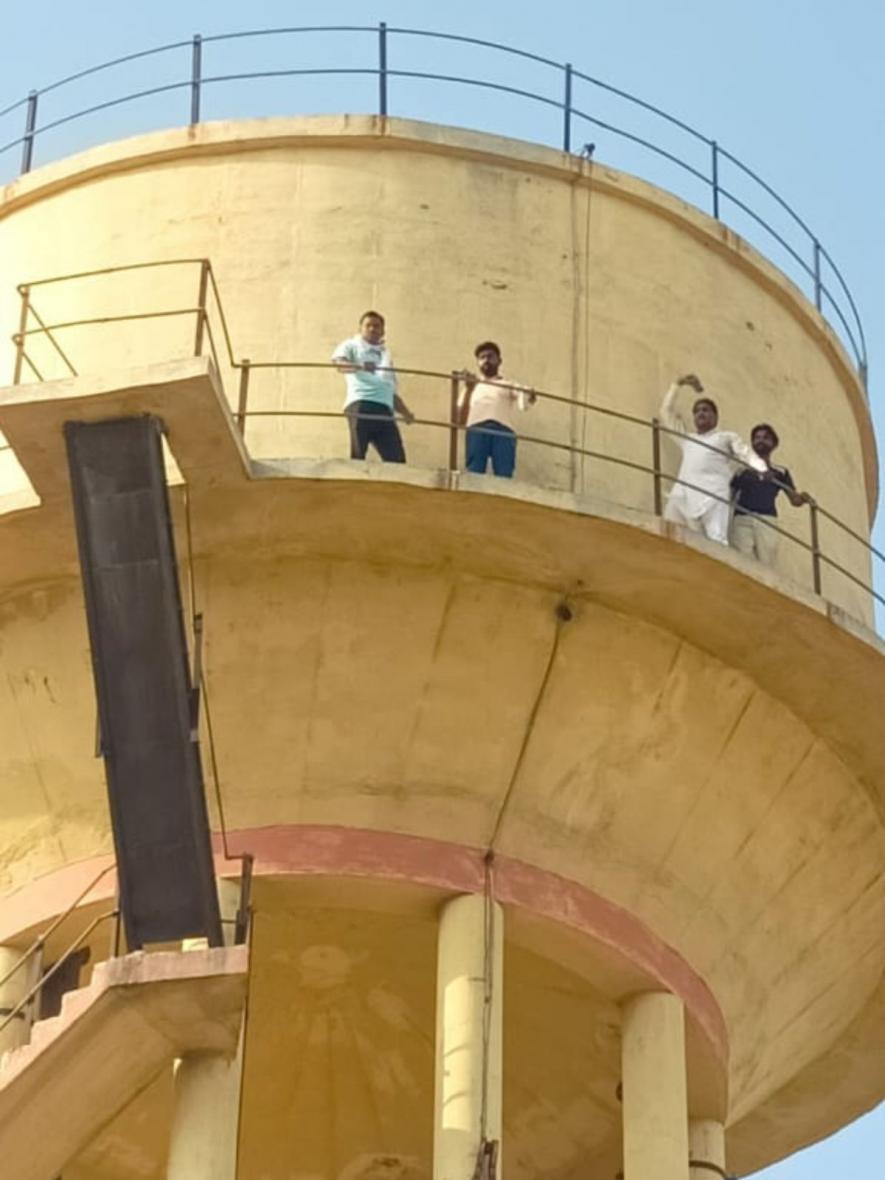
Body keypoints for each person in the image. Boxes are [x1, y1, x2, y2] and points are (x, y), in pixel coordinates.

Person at [659, 373, 765, 545]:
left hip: (713, 496)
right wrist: (677, 384)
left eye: (705, 410)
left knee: (716, 543)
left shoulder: (725, 437)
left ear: (715, 417)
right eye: (697, 411)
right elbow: (665, 413)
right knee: (668, 535)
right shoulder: (688, 440)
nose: (701, 413)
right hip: (684, 495)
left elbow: (745, 453)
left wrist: (762, 469)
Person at [332, 311, 414, 463]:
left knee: (397, 460)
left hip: (384, 409)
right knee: (358, 454)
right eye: (368, 325)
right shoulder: (352, 345)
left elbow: (389, 389)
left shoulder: (385, 355)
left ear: (383, 330)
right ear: (360, 328)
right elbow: (339, 364)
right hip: (361, 403)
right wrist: (361, 366)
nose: (372, 329)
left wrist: (406, 413)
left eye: (376, 326)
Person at [730, 423, 810, 565]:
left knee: (767, 563)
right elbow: (730, 494)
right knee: (741, 561)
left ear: (773, 444)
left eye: (765, 437)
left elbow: (794, 499)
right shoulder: (741, 469)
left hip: (767, 521)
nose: (760, 440)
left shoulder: (780, 472)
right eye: (757, 437)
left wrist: (803, 498)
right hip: (742, 518)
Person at [458, 341, 536, 478]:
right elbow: (460, 419)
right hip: (477, 429)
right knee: (474, 473)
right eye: (482, 357)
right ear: (477, 363)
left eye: (490, 356)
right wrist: (469, 388)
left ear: (499, 361)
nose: (486, 360)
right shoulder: (471, 386)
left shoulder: (508, 384)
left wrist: (531, 395)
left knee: (504, 474)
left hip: (502, 431)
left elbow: (524, 403)